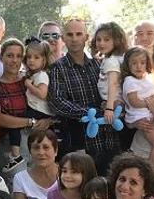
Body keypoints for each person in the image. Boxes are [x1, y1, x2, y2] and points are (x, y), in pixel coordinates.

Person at [49, 19, 120, 174]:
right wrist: (90, 112)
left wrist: (109, 104)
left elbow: (110, 91)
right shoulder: (57, 68)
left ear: (86, 37)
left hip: (109, 139)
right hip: (80, 143)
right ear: (63, 38)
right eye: (70, 34)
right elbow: (57, 102)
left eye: (79, 34)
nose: (74, 39)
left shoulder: (99, 65)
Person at [12, 129, 58, 199]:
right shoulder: (20, 178)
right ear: (30, 152)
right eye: (36, 148)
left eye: (46, 147)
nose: (41, 152)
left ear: (56, 151)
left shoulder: (67, 175)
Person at [122, 47, 154, 168]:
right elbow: (134, 102)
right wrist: (151, 103)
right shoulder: (130, 81)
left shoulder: (146, 80)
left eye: (142, 62)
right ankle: (152, 171)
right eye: (134, 63)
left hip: (147, 115)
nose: (138, 66)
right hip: (141, 118)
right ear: (128, 65)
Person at [0, 38, 31, 174]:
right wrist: (31, 122)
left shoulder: (29, 82)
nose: (14, 60)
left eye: (18, 56)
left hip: (34, 141)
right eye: (10, 56)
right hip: (8, 144)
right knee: (14, 186)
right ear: (1, 57)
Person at [91, 22, 128, 127]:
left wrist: (109, 107)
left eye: (107, 40)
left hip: (115, 102)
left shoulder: (111, 61)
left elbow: (113, 83)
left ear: (116, 41)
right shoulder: (111, 58)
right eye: (98, 39)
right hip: (113, 101)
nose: (101, 43)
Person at [23, 39, 55, 130]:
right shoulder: (34, 74)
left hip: (40, 111)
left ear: (43, 60)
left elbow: (42, 94)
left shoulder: (42, 75)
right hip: (34, 108)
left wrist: (29, 86)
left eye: (36, 57)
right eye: (29, 57)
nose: (31, 60)